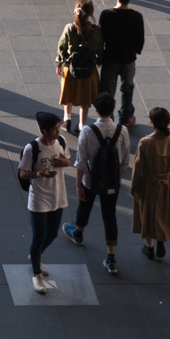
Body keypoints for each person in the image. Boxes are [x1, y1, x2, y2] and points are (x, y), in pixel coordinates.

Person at [62, 91, 130, 274]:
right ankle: (111, 259)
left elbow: (81, 161)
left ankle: (78, 233)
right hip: (111, 183)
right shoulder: (122, 131)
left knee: (84, 207)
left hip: (90, 180)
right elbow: (124, 161)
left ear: (96, 109)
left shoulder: (87, 131)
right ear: (113, 109)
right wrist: (117, 179)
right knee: (110, 217)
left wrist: (78, 184)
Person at [18, 110, 72, 295]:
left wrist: (62, 163)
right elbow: (23, 173)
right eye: (55, 129)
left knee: (53, 234)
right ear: (44, 130)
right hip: (39, 198)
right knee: (38, 236)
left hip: (58, 195)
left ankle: (37, 255)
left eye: (58, 128)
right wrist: (40, 173)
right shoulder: (32, 148)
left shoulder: (61, 142)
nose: (58, 132)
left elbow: (68, 161)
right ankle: (36, 273)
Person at [128, 107, 170, 260]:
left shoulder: (145, 142)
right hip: (167, 183)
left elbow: (138, 167)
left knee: (147, 214)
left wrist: (134, 186)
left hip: (148, 183)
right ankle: (161, 240)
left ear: (152, 123)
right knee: (163, 213)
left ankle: (149, 246)